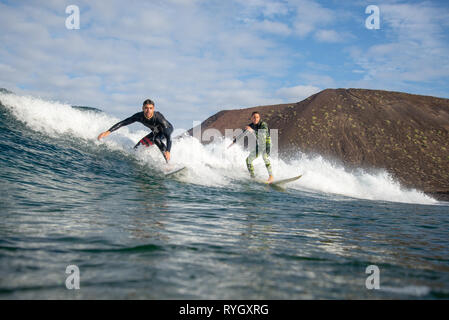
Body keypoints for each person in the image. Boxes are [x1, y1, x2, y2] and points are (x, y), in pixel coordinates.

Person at [97, 99, 173, 162]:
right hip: (155, 132)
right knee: (136, 149)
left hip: (166, 130)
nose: (148, 110)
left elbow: (168, 136)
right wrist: (108, 132)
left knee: (156, 139)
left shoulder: (159, 118)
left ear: (153, 109)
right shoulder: (139, 116)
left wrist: (168, 150)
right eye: (146, 108)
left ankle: (168, 162)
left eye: (150, 108)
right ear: (142, 108)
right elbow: (124, 122)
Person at [245, 111, 273, 183]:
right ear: (251, 118)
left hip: (267, 143)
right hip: (260, 144)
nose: (256, 119)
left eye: (257, 117)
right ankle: (252, 176)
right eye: (254, 117)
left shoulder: (263, 124)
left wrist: (251, 131)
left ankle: (271, 176)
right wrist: (235, 140)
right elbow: (243, 133)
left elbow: (262, 135)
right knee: (248, 160)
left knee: (265, 157)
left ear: (259, 118)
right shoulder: (251, 125)